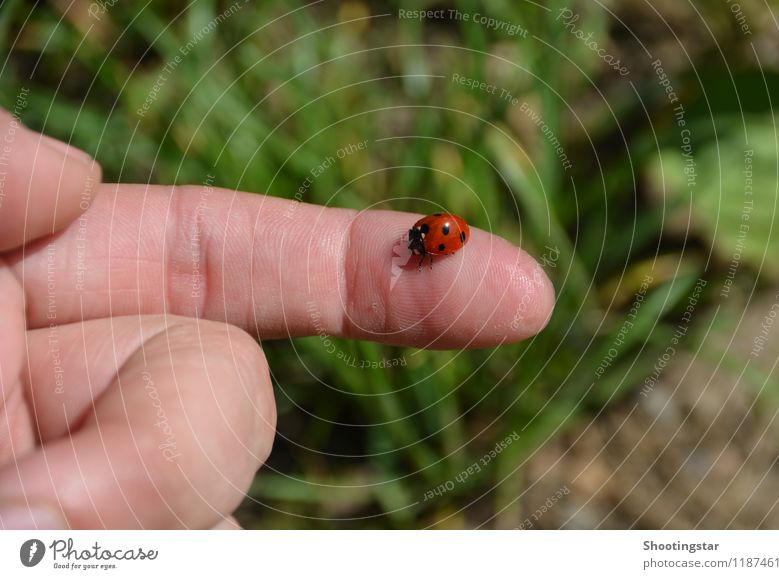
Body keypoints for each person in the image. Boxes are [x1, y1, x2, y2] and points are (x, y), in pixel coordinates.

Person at [0, 107, 554, 529]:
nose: (423, 244)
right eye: (425, 242)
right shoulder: (425, 237)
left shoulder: (429, 236)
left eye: (426, 243)